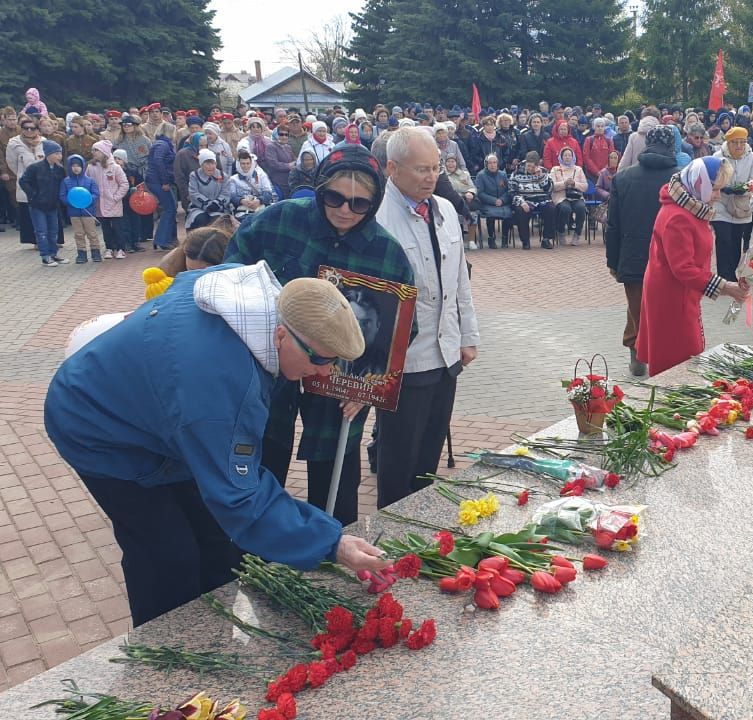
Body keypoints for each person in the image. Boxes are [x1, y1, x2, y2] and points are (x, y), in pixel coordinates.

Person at [45, 266, 389, 626]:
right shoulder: (221, 391)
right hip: (97, 427)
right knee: (167, 553)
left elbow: (187, 281)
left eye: (335, 361)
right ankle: (168, 647)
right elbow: (239, 499)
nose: (324, 373)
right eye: (319, 359)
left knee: (216, 537)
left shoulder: (249, 299)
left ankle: (213, 627)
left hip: (161, 412)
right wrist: (332, 544)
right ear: (282, 334)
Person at [225, 144, 415, 526]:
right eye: (335, 197)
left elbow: (404, 330)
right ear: (320, 188)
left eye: (360, 203)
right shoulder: (278, 221)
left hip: (339, 377)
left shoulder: (387, 253)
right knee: (263, 455)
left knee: (335, 472)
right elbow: (230, 275)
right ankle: (259, 545)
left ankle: (333, 551)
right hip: (269, 365)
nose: (345, 210)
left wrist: (368, 388)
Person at [373, 127, 479, 508]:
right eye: (421, 169)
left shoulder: (446, 210)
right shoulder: (378, 219)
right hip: (405, 360)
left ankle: (424, 518)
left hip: (446, 350)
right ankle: (393, 526)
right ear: (392, 168)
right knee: (399, 454)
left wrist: (468, 336)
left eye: (435, 168)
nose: (431, 177)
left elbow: (459, 282)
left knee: (430, 451)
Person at [635, 156, 750, 376]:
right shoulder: (678, 216)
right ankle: (670, 398)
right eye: (715, 189)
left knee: (683, 351)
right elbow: (683, 268)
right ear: (699, 183)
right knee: (677, 356)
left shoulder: (690, 207)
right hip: (671, 294)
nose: (717, 196)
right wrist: (725, 287)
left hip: (680, 289)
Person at [606, 126, 678, 376]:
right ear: (672, 146)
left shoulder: (623, 177)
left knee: (636, 306)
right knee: (664, 308)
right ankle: (656, 355)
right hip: (670, 257)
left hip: (633, 254)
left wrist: (613, 261)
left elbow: (612, 225)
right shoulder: (681, 178)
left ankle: (637, 353)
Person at [710, 126, 753, 280]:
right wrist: (724, 187)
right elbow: (713, 177)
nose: (739, 146)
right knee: (724, 238)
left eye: (742, 142)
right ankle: (724, 275)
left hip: (741, 204)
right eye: (735, 143)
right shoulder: (718, 156)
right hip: (721, 202)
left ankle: (732, 273)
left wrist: (744, 188)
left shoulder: (751, 157)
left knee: (736, 239)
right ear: (728, 143)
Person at [19, 140, 67, 267]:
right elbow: (23, 181)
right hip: (37, 206)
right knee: (41, 231)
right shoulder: (35, 168)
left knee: (53, 231)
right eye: (56, 153)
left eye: (60, 153)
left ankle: (53, 254)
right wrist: (33, 195)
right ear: (48, 154)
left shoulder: (60, 169)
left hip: (53, 205)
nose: (59, 156)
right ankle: (45, 256)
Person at [7, 116, 46, 247]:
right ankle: (34, 240)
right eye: (26, 128)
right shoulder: (14, 143)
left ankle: (50, 238)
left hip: (43, 182)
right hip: (25, 181)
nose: (29, 131)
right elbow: (11, 162)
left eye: (32, 128)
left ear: (37, 129)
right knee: (29, 211)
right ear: (21, 129)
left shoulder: (44, 141)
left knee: (46, 210)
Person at [87, 140, 129, 259]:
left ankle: (121, 248)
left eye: (96, 150)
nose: (94, 152)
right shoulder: (91, 167)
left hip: (114, 203)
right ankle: (109, 248)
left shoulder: (115, 167)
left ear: (104, 152)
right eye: (93, 150)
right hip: (99, 203)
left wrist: (116, 197)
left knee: (118, 227)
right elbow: (88, 182)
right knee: (105, 228)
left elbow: (124, 184)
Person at [508, 151, 555, 250]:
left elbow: (549, 189)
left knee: (551, 208)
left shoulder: (543, 171)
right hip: (525, 199)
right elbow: (512, 191)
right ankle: (525, 241)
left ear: (537, 165)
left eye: (533, 167)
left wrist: (540, 177)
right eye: (528, 166)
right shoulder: (517, 172)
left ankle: (546, 239)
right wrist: (522, 202)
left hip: (542, 199)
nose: (530, 169)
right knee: (521, 211)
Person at [59, 154, 101, 263]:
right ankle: (81, 253)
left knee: (92, 233)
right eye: (73, 166)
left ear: (83, 166)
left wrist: (88, 200)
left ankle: (95, 252)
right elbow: (62, 195)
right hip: (74, 213)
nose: (76, 168)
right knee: (78, 234)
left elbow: (96, 193)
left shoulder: (90, 181)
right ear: (69, 167)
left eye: (78, 165)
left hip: (88, 212)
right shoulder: (66, 181)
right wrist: (71, 202)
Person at [550, 147, 588, 246]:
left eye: (569, 155)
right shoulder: (555, 169)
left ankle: (577, 234)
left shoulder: (578, 169)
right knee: (565, 209)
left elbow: (585, 186)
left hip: (576, 196)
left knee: (581, 208)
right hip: (561, 196)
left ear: (573, 157)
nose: (567, 157)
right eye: (565, 155)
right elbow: (552, 186)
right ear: (561, 157)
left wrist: (575, 183)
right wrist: (564, 183)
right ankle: (561, 232)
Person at [146, 131, 178, 251]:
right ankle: (162, 240)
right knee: (170, 208)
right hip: (158, 181)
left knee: (170, 207)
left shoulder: (160, 144)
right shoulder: (162, 144)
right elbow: (158, 161)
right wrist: (165, 181)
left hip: (155, 180)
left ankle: (162, 239)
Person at [187, 149, 232, 229]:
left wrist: (216, 204)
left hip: (218, 208)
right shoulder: (194, 176)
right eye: (207, 164)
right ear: (201, 164)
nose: (210, 166)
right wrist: (207, 204)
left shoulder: (223, 176)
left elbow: (226, 193)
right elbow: (193, 193)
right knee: (200, 219)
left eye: (213, 163)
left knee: (218, 221)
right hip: (199, 207)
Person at [474, 153, 511, 250]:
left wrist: (502, 200)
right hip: (488, 203)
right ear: (486, 164)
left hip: (503, 203)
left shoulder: (502, 174)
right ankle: (491, 238)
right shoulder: (481, 175)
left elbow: (509, 190)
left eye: (494, 162)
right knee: (490, 215)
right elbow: (480, 193)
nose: (493, 165)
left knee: (508, 213)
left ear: (497, 164)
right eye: (490, 163)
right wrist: (494, 201)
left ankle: (504, 238)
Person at [229, 150, 276, 221]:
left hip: (260, 207)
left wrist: (259, 201)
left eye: (248, 163)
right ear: (239, 164)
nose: (246, 166)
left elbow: (268, 193)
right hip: (242, 210)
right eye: (243, 164)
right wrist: (242, 201)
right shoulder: (233, 179)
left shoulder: (261, 176)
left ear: (252, 164)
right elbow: (232, 197)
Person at [582, 118, 613, 182]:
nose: (600, 128)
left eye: (602, 126)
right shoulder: (589, 140)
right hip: (591, 174)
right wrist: (596, 172)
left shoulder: (609, 141)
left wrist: (604, 170)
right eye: (598, 126)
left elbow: (612, 157)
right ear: (594, 127)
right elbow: (586, 157)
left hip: (606, 174)